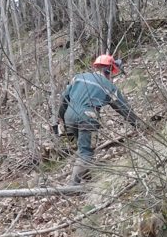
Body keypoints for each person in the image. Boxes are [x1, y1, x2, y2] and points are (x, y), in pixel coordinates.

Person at [58, 54, 140, 184]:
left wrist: (61, 119)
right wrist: (138, 125)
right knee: (86, 151)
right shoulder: (108, 86)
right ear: (109, 70)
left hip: (70, 115)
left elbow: (64, 99)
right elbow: (123, 108)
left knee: (82, 147)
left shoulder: (78, 78)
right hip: (87, 117)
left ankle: (87, 178)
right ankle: (72, 186)